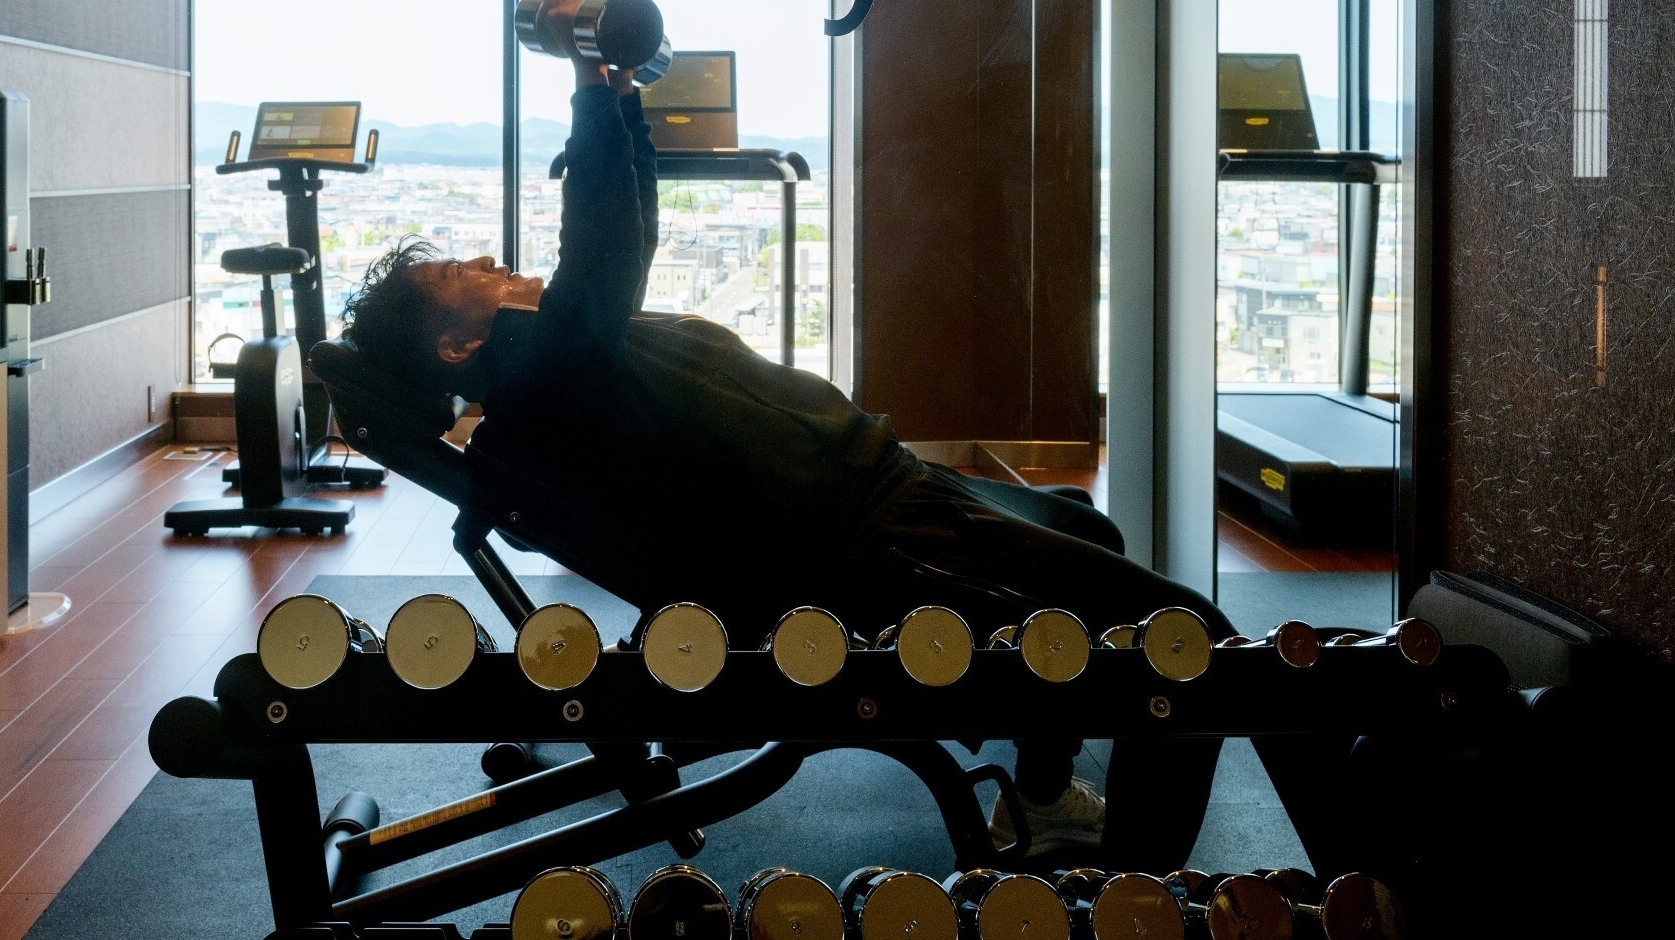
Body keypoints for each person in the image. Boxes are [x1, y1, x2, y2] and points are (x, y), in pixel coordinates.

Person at [341, 51, 1237, 867]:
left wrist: (623, 101)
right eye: (467, 271)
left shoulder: (563, 366)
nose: (493, 259)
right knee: (1189, 644)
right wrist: (586, 87)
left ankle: (1042, 801)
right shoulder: (545, 385)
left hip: (876, 490)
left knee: (1089, 524)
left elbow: (627, 244)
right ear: (459, 346)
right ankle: (1141, 899)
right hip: (864, 545)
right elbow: (603, 246)